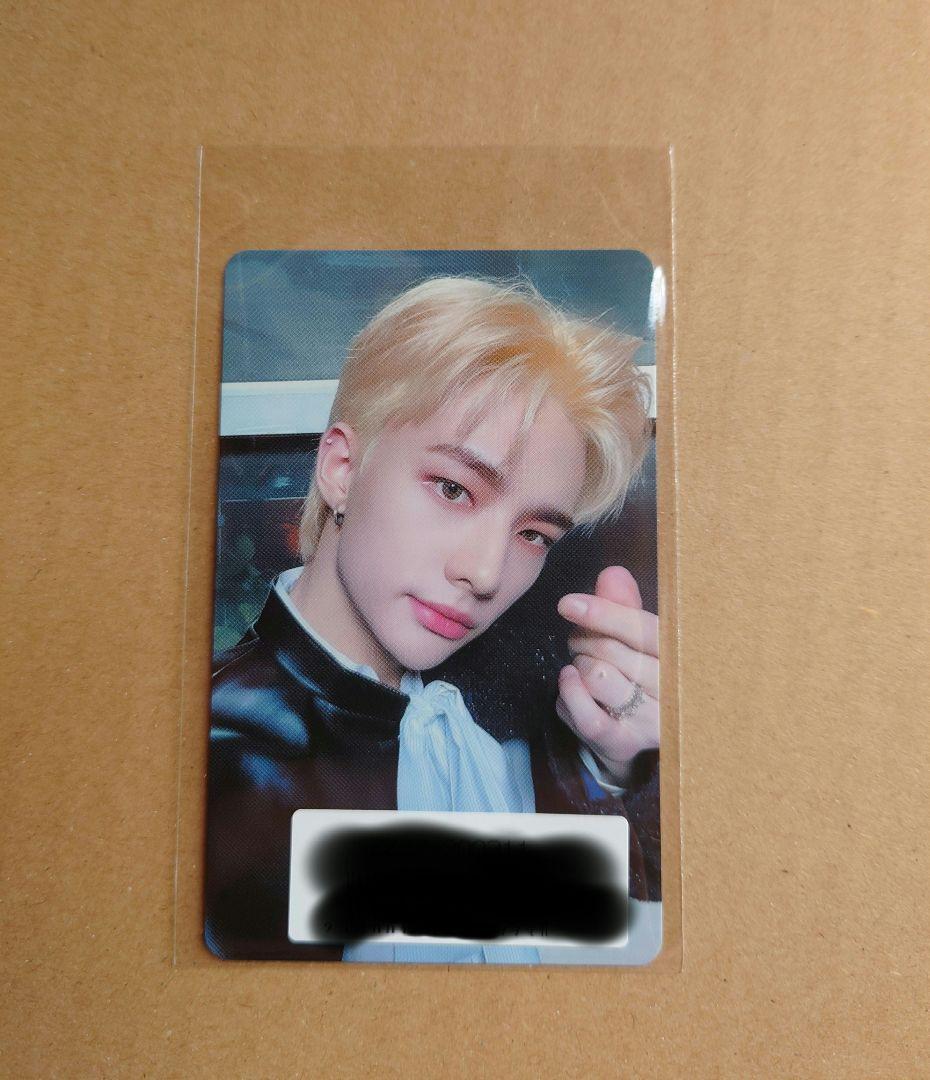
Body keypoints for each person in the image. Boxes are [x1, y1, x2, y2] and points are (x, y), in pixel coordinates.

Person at [205, 276, 661, 962]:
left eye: (533, 534)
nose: (486, 573)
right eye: (454, 489)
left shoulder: (487, 719)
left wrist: (617, 770)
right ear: (342, 469)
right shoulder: (232, 762)